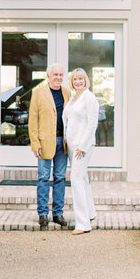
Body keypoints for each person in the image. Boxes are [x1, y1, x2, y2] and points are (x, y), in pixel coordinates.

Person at [28, 63, 70, 229]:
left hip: (63, 142)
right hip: (45, 142)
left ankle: (58, 213)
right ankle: (43, 214)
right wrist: (35, 143)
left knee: (60, 178)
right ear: (48, 75)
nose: (58, 77)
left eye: (61, 75)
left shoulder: (67, 93)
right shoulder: (38, 93)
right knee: (43, 178)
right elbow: (33, 120)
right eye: (55, 75)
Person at [63, 67, 99, 235]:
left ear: (86, 80)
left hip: (82, 146)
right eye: (75, 79)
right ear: (72, 81)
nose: (78, 81)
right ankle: (90, 213)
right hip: (71, 145)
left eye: (81, 79)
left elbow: (92, 124)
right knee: (82, 178)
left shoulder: (89, 98)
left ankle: (83, 224)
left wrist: (83, 146)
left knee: (76, 179)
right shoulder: (72, 98)